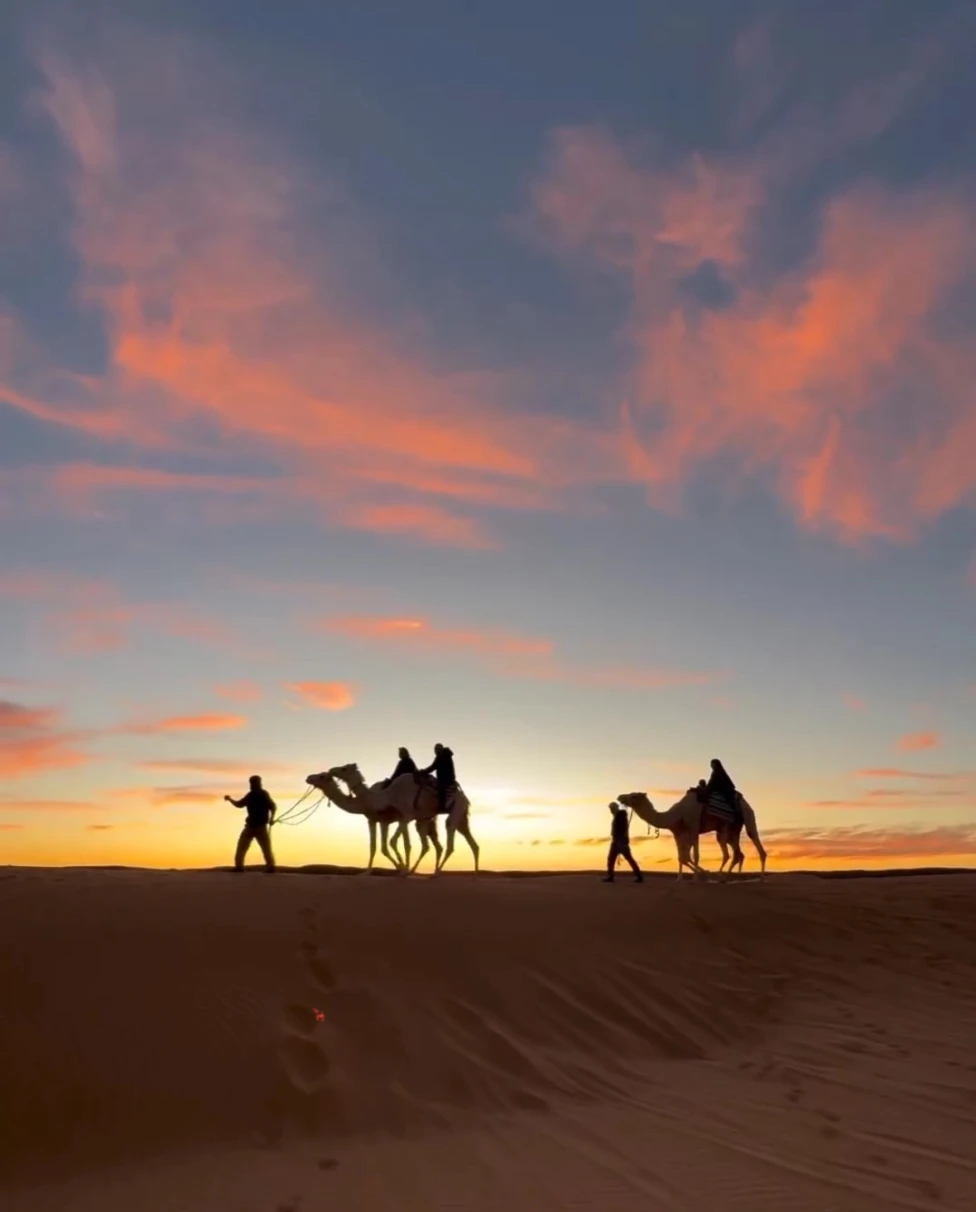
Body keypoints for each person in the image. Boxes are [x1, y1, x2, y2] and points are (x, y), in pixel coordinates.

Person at [224, 775, 277, 873]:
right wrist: (230, 799)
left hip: (258, 826)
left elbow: (273, 806)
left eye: (252, 783)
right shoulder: (252, 795)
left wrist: (272, 818)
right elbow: (240, 804)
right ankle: (269, 867)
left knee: (260, 847)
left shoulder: (261, 794)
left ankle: (241, 867)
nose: (251, 785)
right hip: (252, 826)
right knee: (257, 847)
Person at [603, 801, 643, 883]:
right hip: (618, 840)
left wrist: (620, 840)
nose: (611, 810)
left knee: (626, 858)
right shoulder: (618, 816)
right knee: (612, 859)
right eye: (611, 808)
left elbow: (622, 829)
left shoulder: (620, 816)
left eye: (612, 808)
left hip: (620, 841)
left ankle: (638, 876)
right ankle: (611, 876)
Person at [420, 742, 456, 815]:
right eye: (434, 749)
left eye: (435, 749)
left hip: (447, 778)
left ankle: (442, 807)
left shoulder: (442, 756)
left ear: (439, 749)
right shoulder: (443, 755)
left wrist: (423, 772)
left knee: (441, 788)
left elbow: (433, 767)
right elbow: (433, 766)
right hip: (444, 778)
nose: (435, 751)